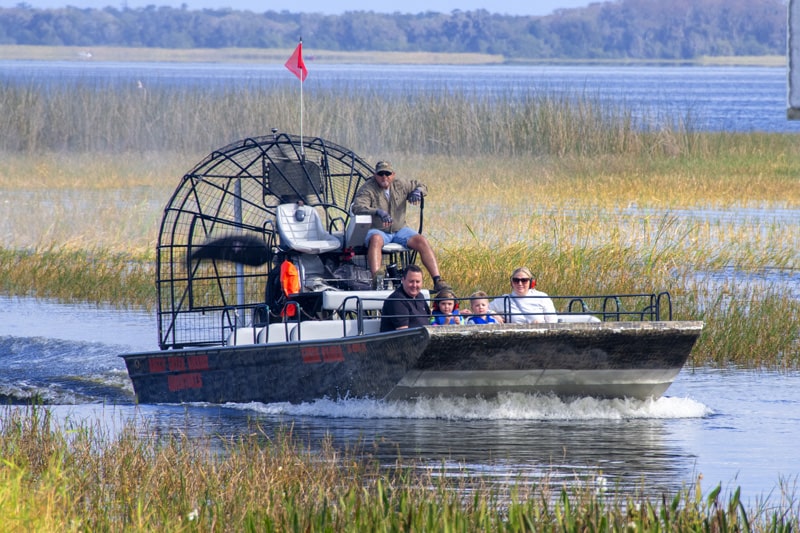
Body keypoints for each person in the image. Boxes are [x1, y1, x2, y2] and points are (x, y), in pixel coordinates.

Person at [351, 160, 449, 292]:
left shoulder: (400, 184)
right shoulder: (368, 188)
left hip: (400, 230)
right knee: (375, 239)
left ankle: (438, 280)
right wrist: (377, 212)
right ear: (375, 175)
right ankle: (377, 280)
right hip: (377, 230)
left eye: (387, 173)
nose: (384, 177)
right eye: (381, 174)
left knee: (421, 240)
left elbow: (422, 186)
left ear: (393, 175)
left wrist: (417, 192)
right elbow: (357, 207)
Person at [488, 267, 558, 324]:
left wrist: (541, 325)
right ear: (511, 282)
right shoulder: (504, 300)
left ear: (531, 282)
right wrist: (494, 315)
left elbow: (552, 322)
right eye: (516, 280)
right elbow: (484, 308)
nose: (520, 283)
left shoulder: (542, 297)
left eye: (524, 280)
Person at [380, 264, 431, 332]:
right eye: (411, 281)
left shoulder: (420, 296)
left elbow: (429, 318)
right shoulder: (397, 300)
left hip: (425, 338)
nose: (414, 285)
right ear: (403, 280)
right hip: (402, 341)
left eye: (417, 282)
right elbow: (403, 334)